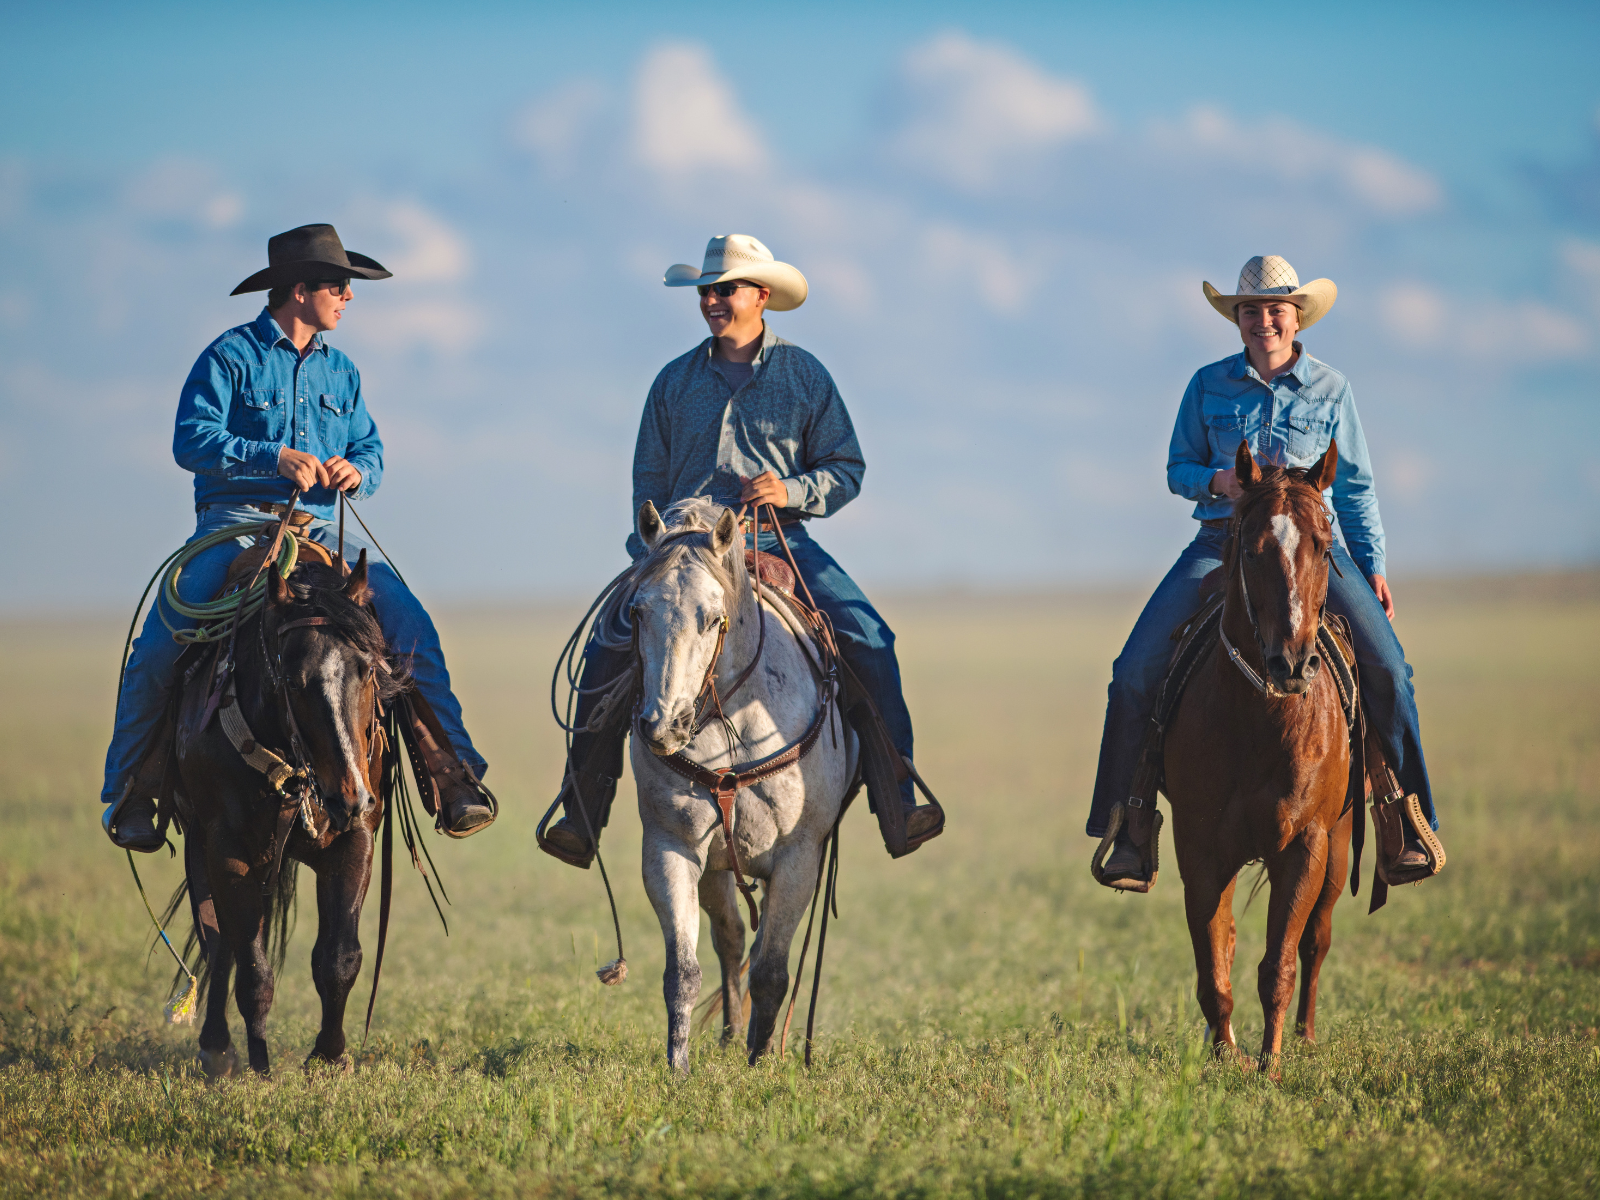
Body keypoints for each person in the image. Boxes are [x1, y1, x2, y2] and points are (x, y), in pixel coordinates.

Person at [539, 234, 942, 867]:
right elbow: (649, 480)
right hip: (681, 551)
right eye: (705, 290)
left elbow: (847, 467)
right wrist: (653, 555)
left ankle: (898, 797)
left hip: (775, 538)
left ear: (761, 296)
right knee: (607, 651)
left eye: (725, 289)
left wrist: (792, 489)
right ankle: (582, 811)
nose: (711, 300)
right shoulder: (673, 381)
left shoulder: (805, 375)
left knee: (868, 637)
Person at [102, 224, 495, 850]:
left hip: (310, 533)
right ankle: (131, 792)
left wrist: (357, 469)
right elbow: (190, 440)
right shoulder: (230, 357)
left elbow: (371, 446)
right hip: (232, 530)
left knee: (408, 621)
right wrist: (272, 457)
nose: (348, 297)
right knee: (157, 648)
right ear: (299, 290)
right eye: (339, 285)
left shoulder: (342, 372)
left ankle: (453, 776)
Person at [1089, 255, 1439, 886]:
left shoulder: (1332, 389)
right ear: (1238, 319)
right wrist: (1214, 480)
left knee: (1389, 666)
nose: (1263, 321)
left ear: (1297, 317)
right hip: (1223, 542)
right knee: (1134, 670)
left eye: (1275, 310)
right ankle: (1131, 823)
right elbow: (1177, 469)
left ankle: (1401, 817)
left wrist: (1374, 564)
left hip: (1310, 550)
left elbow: (1354, 486)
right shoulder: (1207, 385)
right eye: (1250, 311)